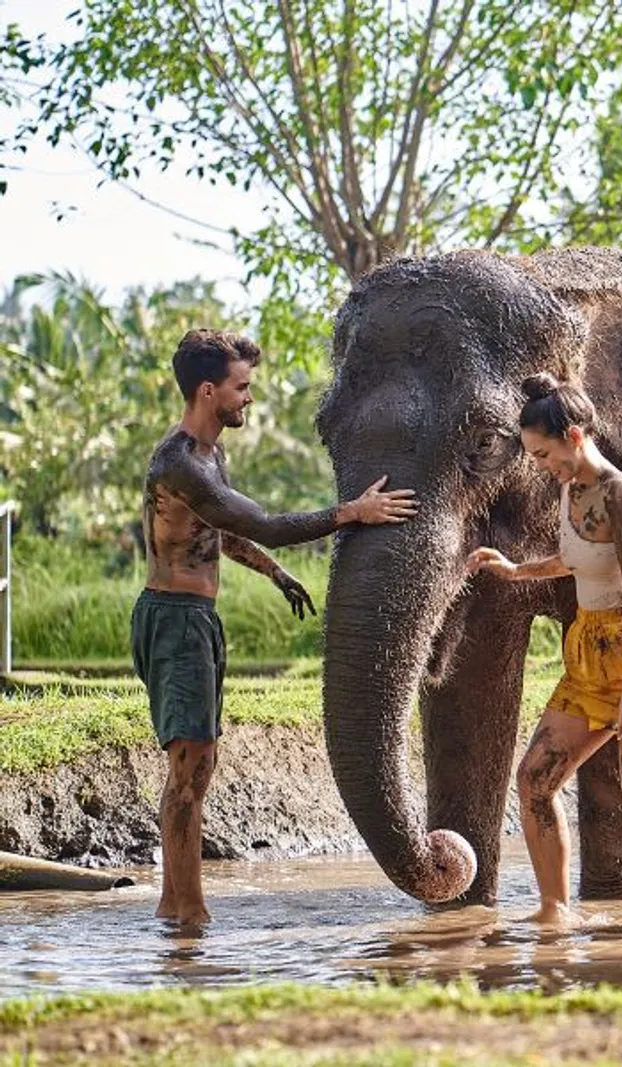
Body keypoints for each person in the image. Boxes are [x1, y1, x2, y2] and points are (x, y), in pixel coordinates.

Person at [135, 329, 417, 926]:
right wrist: (350, 513)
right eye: (241, 388)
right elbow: (261, 522)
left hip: (196, 620)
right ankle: (186, 915)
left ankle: (177, 907)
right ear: (208, 391)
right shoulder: (180, 461)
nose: (249, 398)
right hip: (174, 623)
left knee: (199, 766)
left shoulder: (211, 456)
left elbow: (224, 531)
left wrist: (275, 573)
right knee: (188, 771)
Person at [468, 374, 622, 926]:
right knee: (535, 781)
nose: (542, 466)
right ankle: (554, 911)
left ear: (572, 435)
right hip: (590, 650)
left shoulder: (620, 493)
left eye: (544, 453)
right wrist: (517, 570)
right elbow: (577, 560)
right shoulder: (570, 486)